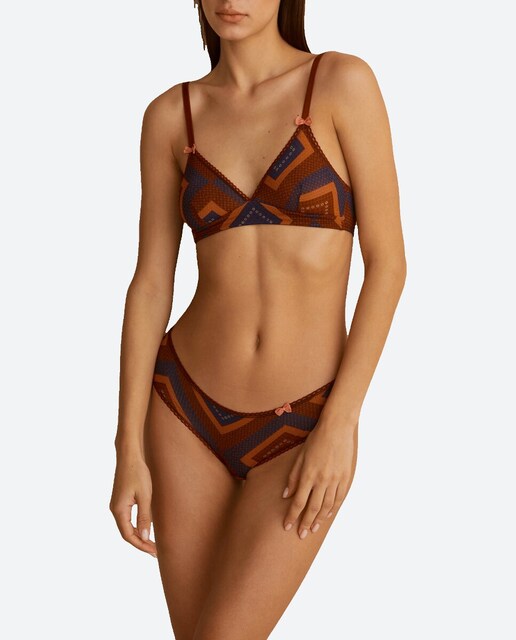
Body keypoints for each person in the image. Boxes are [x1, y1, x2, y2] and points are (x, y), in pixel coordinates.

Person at [110, 1, 406, 637]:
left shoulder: (340, 83)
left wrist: (340, 424)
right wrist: (126, 445)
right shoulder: (171, 116)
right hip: (184, 411)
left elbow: (388, 266)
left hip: (303, 422)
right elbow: (151, 283)